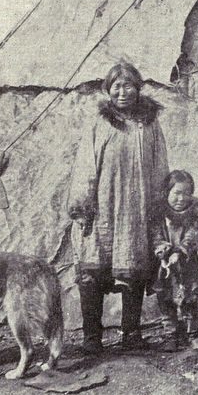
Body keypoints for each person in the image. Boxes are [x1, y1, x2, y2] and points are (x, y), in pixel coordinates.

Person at [68, 62, 168, 354]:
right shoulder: (100, 123)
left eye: (128, 86)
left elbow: (160, 164)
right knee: (93, 269)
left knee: (133, 265)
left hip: (136, 208)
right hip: (103, 207)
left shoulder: (149, 124)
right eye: (117, 86)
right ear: (108, 90)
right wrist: (83, 205)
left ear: (138, 88)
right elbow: (85, 165)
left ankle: (131, 333)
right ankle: (92, 337)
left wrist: (158, 202)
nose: (123, 92)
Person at [151, 170, 198, 352]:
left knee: (190, 298)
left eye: (186, 193)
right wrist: (164, 252)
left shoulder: (192, 217)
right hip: (166, 266)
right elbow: (156, 237)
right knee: (166, 299)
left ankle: (193, 334)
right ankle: (170, 335)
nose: (181, 198)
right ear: (167, 192)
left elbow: (193, 236)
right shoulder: (159, 217)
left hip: (187, 265)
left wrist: (180, 252)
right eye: (177, 193)